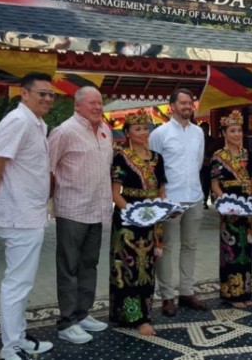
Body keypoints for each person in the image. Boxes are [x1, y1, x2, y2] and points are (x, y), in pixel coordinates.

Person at [0, 73, 55, 360]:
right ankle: (10, 347)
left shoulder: (36, 123)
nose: (48, 98)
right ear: (24, 93)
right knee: (17, 283)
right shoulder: (17, 121)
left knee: (23, 282)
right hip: (19, 215)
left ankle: (19, 338)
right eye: (42, 93)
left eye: (51, 94)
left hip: (31, 214)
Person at [49, 86, 113, 344]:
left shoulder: (106, 131)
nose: (97, 107)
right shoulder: (63, 131)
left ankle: (82, 313)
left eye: (100, 103)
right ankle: (66, 322)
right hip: (72, 210)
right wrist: (46, 202)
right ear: (77, 106)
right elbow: (48, 169)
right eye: (92, 103)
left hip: (97, 210)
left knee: (89, 265)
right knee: (68, 267)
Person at [148, 88, 207, 317]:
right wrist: (159, 201)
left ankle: (187, 291)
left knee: (190, 246)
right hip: (170, 200)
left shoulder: (198, 133)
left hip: (195, 197)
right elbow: (153, 169)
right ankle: (166, 296)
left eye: (190, 103)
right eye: (182, 103)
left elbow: (199, 163)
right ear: (171, 106)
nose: (187, 107)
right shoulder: (160, 134)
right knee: (167, 248)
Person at [109, 109, 168, 336]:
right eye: (138, 129)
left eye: (146, 128)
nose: (143, 132)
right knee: (128, 268)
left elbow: (161, 190)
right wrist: (135, 213)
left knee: (148, 268)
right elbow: (115, 193)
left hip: (152, 220)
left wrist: (162, 211)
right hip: (127, 221)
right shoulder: (120, 157)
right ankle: (134, 316)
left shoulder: (156, 158)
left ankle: (144, 314)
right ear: (127, 133)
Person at [210, 110, 252, 308]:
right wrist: (226, 204)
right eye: (232, 130)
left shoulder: (247, 154)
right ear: (224, 133)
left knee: (247, 249)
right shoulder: (218, 157)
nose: (237, 134)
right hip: (229, 208)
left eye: (239, 130)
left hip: (247, 207)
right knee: (231, 250)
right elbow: (214, 185)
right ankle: (232, 294)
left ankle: (245, 291)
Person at [199, 122, 222, 209]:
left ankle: (208, 200)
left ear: (208, 130)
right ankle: (203, 200)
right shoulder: (196, 140)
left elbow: (216, 154)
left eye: (205, 129)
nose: (204, 131)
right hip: (200, 166)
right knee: (202, 183)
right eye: (202, 130)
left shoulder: (213, 141)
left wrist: (209, 159)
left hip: (210, 165)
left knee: (209, 183)